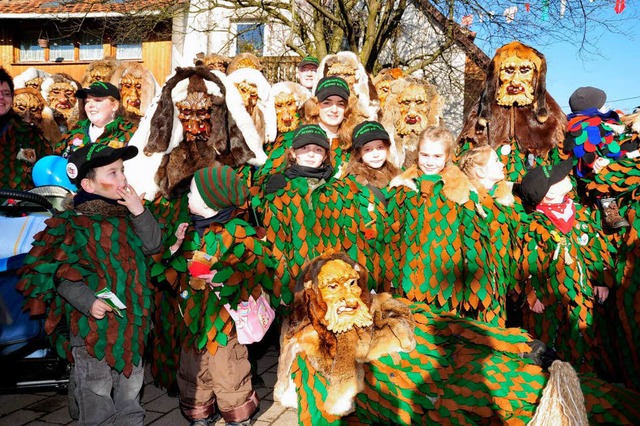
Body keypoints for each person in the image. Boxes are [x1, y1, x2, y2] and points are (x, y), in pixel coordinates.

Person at [17, 143, 162, 425]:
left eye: (123, 171)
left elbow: (153, 244)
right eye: (113, 172)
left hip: (130, 323)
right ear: (88, 184)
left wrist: (139, 212)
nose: (123, 179)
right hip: (91, 329)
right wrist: (89, 301)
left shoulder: (128, 216)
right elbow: (62, 273)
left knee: (131, 389)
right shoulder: (73, 223)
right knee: (95, 389)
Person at [168, 166, 269, 426]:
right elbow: (170, 272)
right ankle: (199, 412)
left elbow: (253, 270)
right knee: (193, 366)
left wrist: (225, 275)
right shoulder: (189, 230)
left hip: (226, 317)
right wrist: (174, 249)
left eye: (192, 193)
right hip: (194, 315)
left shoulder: (238, 233)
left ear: (211, 201)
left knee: (229, 367)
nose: (187, 198)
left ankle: (237, 413)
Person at [517, 159, 612, 373]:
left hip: (584, 296)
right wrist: (533, 294)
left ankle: (587, 376)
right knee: (553, 339)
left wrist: (600, 280)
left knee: (584, 337)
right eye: (558, 178)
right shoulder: (535, 224)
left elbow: (594, 249)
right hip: (551, 301)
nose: (565, 175)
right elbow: (527, 264)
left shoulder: (579, 212)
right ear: (548, 194)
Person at [386, 126, 481, 313]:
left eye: (437, 156)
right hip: (408, 276)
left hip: (445, 278)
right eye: (425, 155)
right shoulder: (404, 185)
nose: (429, 162)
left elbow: (469, 238)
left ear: (447, 157)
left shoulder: (460, 190)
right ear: (417, 154)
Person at [260, 124, 337, 304]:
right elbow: (276, 240)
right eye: (304, 148)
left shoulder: (334, 189)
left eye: (318, 149)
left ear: (325, 155)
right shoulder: (281, 187)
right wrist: (283, 283)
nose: (311, 154)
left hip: (329, 277)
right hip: (293, 276)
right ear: (293, 153)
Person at [332, 120, 399, 291]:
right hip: (365, 254)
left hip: (393, 254)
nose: (375, 154)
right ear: (359, 153)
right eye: (368, 150)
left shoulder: (399, 176)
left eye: (380, 148)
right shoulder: (351, 183)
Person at [458, 145, 521, 327]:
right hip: (474, 286)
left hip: (499, 288)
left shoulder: (504, 201)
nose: (502, 164)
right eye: (495, 160)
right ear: (480, 171)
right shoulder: (468, 202)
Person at [562, 86, 638, 229]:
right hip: (596, 174)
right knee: (606, 183)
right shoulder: (591, 126)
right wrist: (629, 156)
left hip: (587, 172)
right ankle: (610, 213)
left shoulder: (575, 123)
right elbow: (603, 153)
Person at [0, 67, 52, 190]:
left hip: (20, 206)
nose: (1, 97)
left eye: (6, 93)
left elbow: (46, 173)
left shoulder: (30, 134)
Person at [54, 81, 137, 157]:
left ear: (114, 105)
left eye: (97, 100)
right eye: (87, 101)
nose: (90, 105)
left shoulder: (132, 133)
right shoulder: (73, 133)